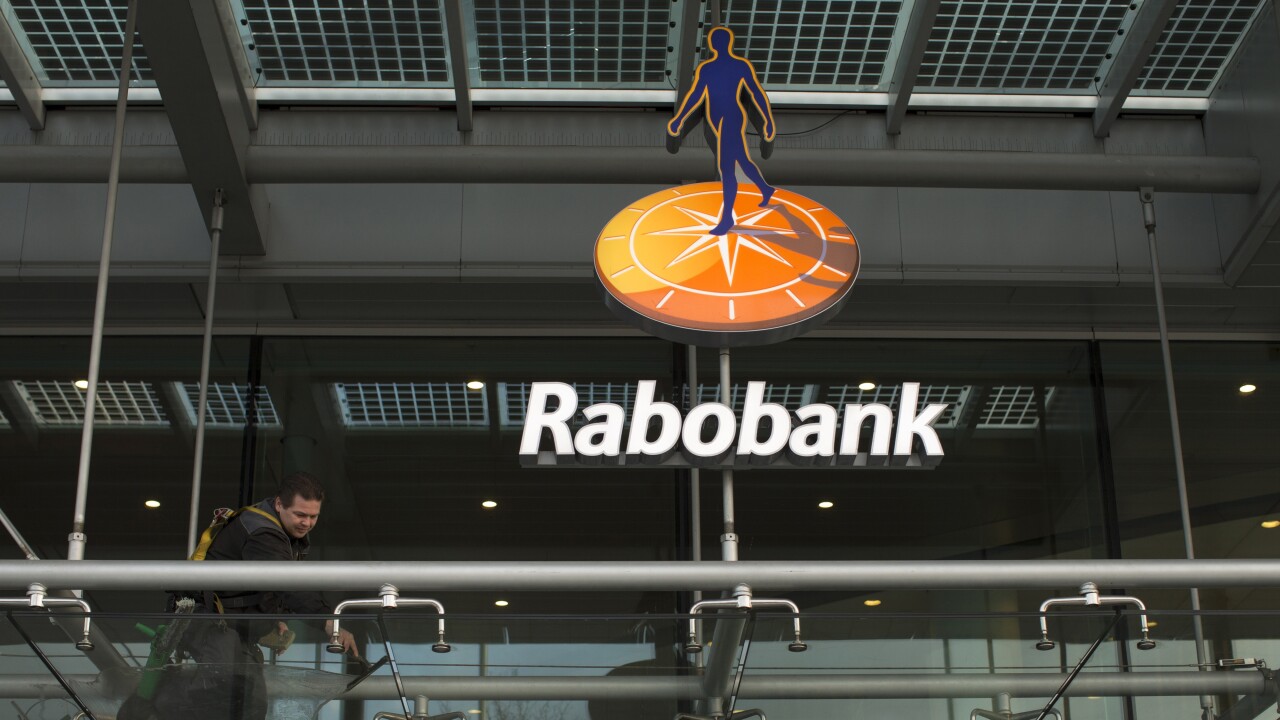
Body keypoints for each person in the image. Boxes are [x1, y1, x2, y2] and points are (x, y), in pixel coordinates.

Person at [154, 472, 358, 720]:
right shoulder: (262, 532)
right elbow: (284, 581)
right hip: (204, 619)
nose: (307, 523)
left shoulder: (279, 529)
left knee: (252, 702)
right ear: (280, 504)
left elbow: (261, 584)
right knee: (222, 691)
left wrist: (273, 615)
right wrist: (328, 621)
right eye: (300, 515)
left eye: (313, 516)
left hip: (227, 626)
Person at [668, 26, 777, 236]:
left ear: (723, 44)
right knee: (743, 161)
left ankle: (727, 217)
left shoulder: (738, 66)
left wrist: (767, 120)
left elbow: (756, 93)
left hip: (731, 118)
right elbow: (695, 95)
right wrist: (679, 119)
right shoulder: (707, 69)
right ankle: (765, 189)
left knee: (726, 168)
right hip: (718, 120)